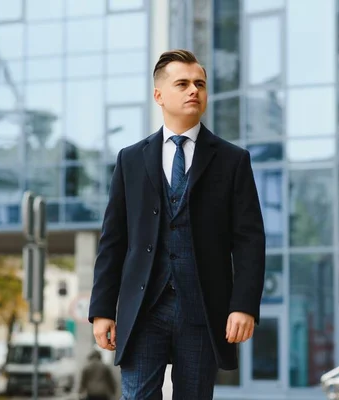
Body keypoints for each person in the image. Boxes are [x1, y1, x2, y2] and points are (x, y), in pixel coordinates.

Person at [88, 49, 266, 399]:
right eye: (182, 83)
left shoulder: (232, 160)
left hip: (202, 308)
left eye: (199, 84)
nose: (193, 91)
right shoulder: (130, 160)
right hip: (143, 309)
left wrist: (243, 304)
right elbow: (114, 240)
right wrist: (102, 310)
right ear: (159, 95)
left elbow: (249, 240)